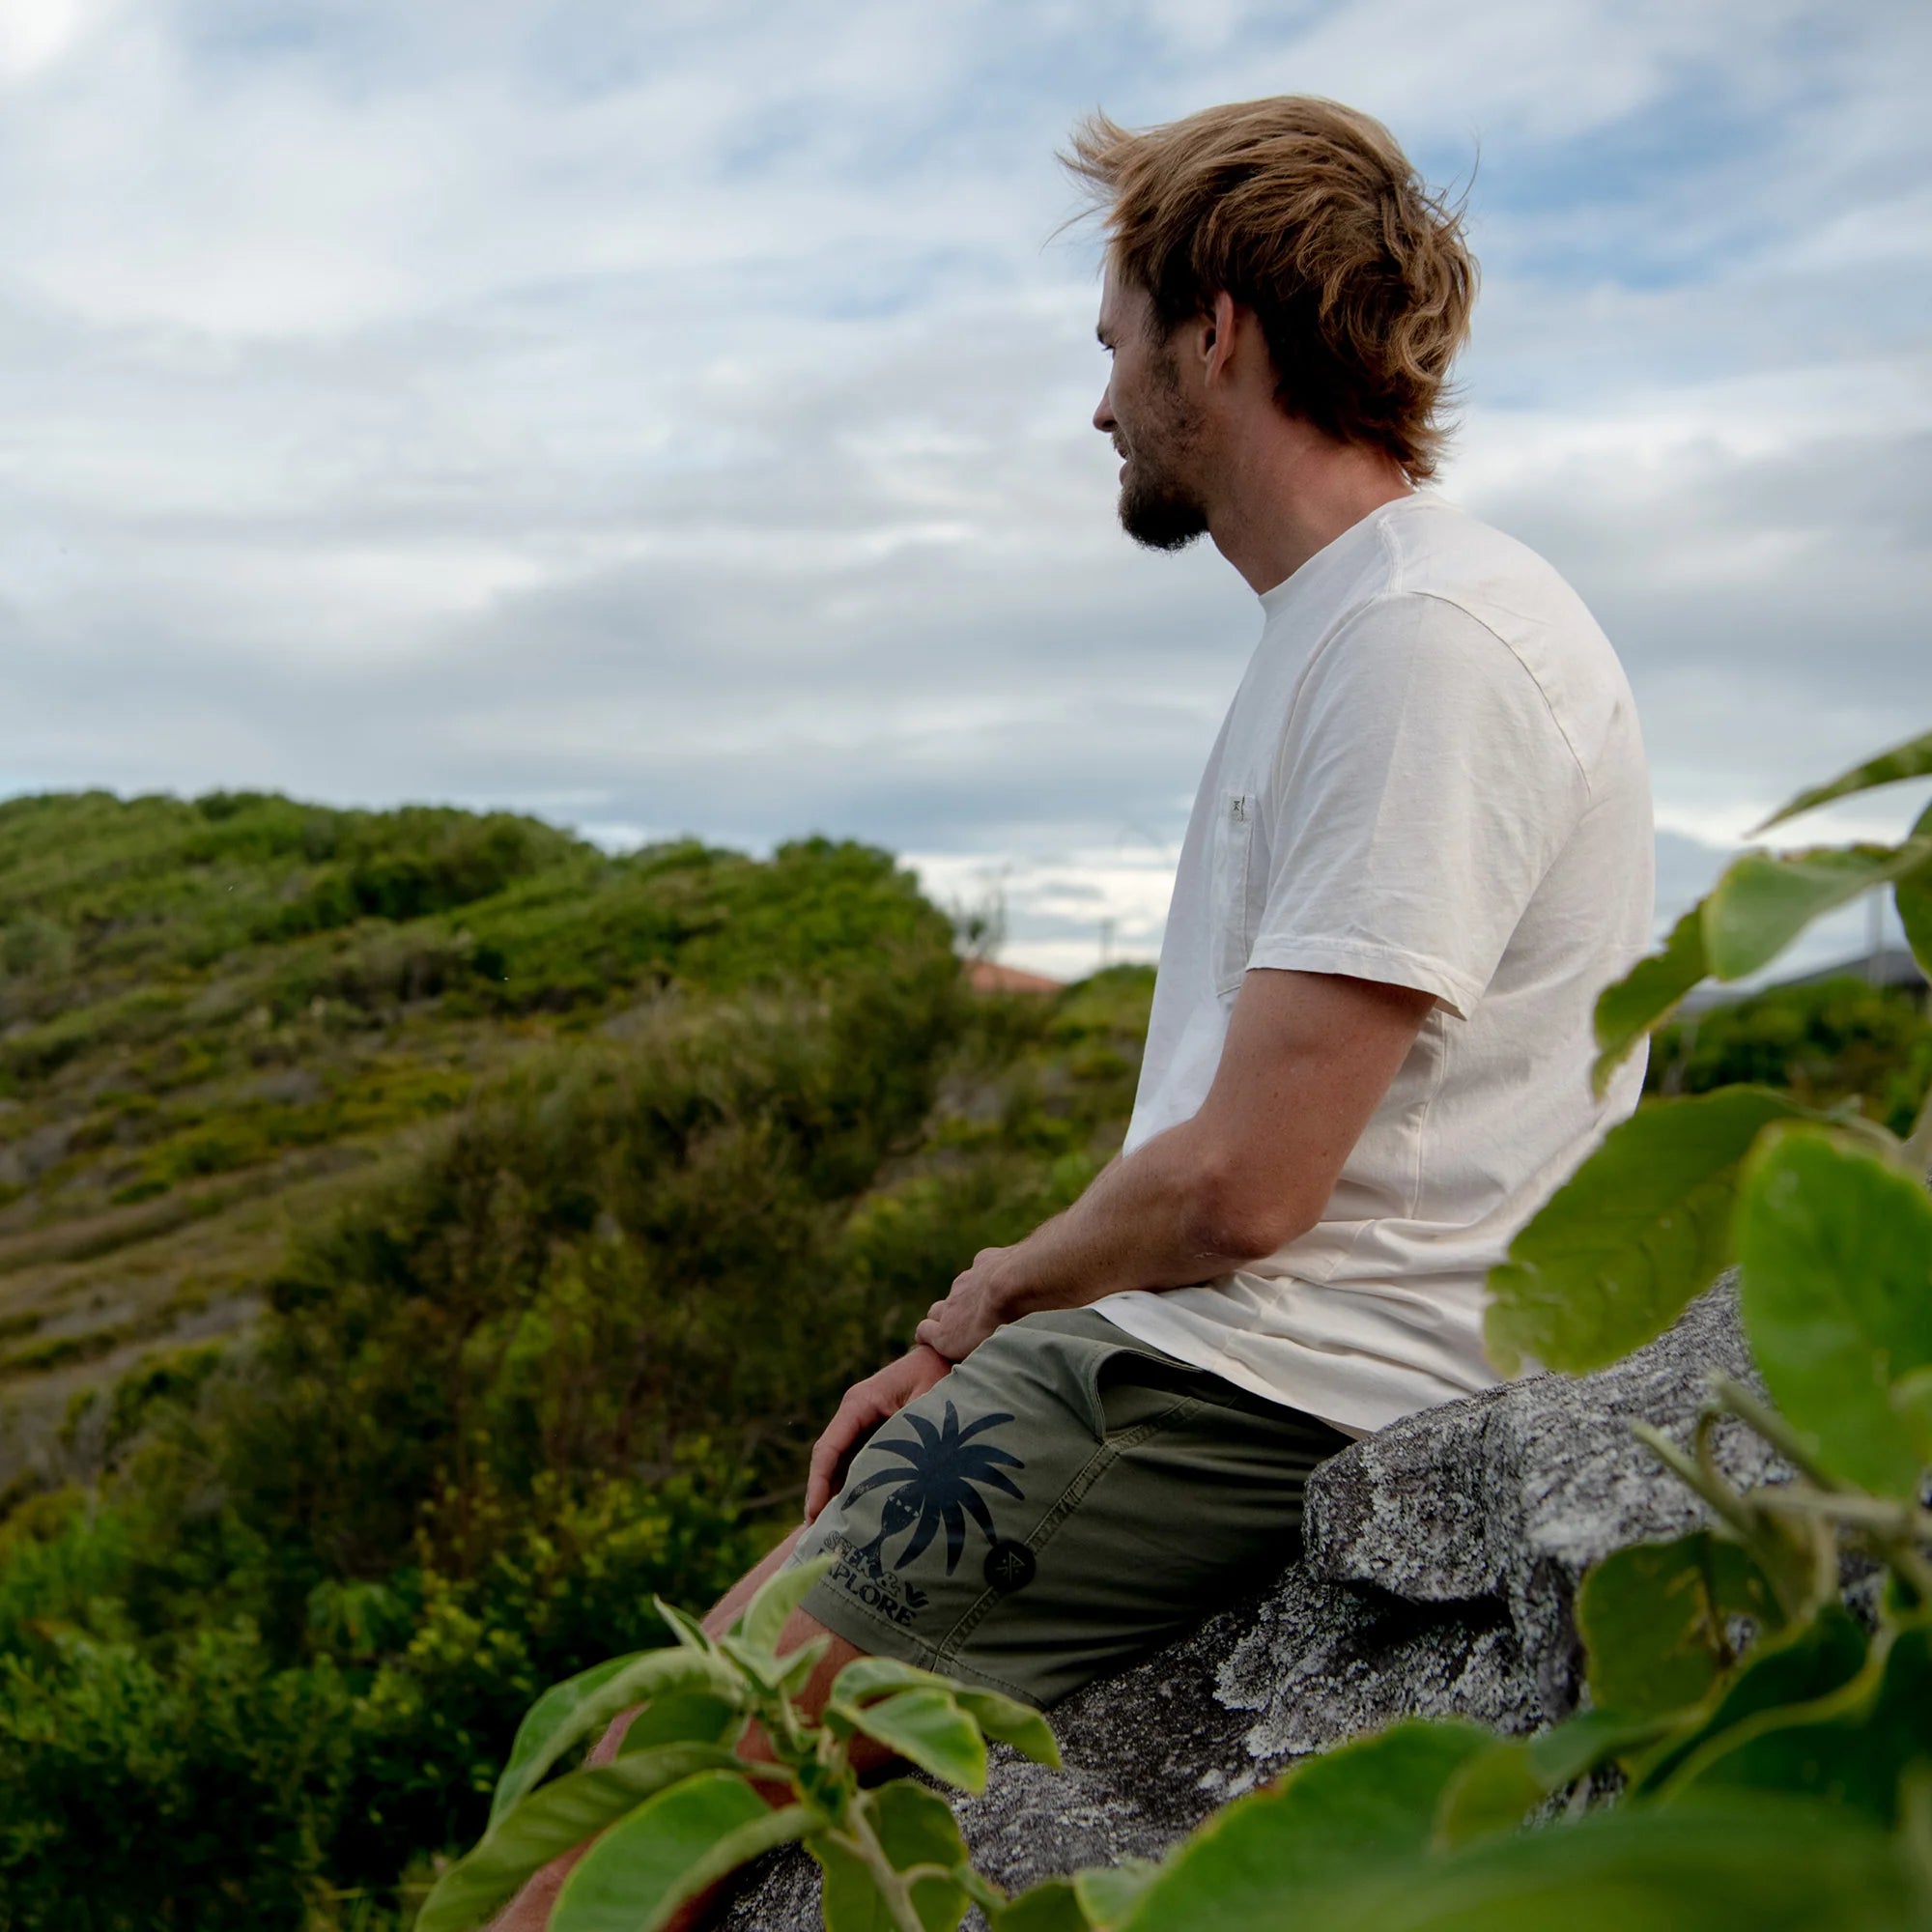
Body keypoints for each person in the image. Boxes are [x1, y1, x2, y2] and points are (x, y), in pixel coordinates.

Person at [495, 93, 1652, 1926]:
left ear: (1218, 330)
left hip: (1265, 1379)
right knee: (638, 1739)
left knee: (634, 1801)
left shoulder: (1429, 641)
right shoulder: (1363, 626)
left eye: (1114, 344)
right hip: (1221, 1359)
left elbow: (1248, 1186)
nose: (1101, 402)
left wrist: (973, 1315)